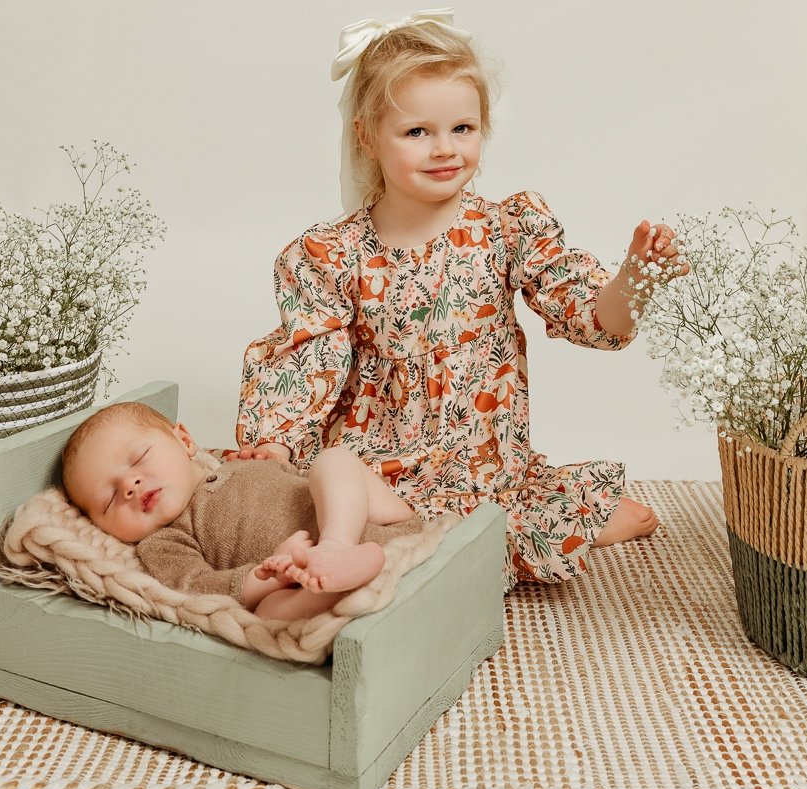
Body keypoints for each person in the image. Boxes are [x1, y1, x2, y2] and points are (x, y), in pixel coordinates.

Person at [235, 11, 685, 591]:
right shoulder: (330, 254)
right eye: (417, 132)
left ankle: (553, 520)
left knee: (458, 543)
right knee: (320, 516)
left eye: (463, 129)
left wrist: (635, 279)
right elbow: (307, 362)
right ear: (367, 136)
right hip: (380, 460)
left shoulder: (504, 230)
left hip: (478, 461)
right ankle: (404, 537)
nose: (445, 150)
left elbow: (592, 316)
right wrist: (274, 441)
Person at [61, 402, 423, 620]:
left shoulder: (232, 462)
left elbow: (291, 477)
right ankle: (331, 584)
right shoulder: (162, 542)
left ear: (185, 441)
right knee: (266, 613)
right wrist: (263, 577)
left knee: (333, 461)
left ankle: (337, 546)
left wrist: (269, 459)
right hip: (304, 574)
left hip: (371, 520)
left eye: (139, 458)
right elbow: (197, 588)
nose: (129, 486)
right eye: (109, 500)